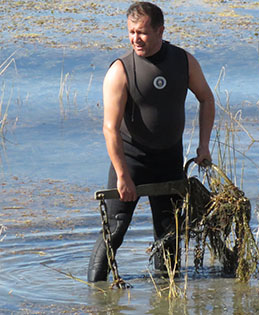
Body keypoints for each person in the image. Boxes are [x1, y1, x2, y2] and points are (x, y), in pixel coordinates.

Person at [87, 1, 215, 282]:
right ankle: (94, 297)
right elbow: (110, 129)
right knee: (115, 230)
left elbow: (206, 98)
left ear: (160, 31)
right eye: (131, 32)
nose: (136, 39)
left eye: (142, 32)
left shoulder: (183, 61)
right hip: (131, 161)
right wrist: (122, 175)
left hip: (169, 159)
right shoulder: (121, 70)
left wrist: (204, 145)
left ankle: (167, 300)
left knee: (169, 235)